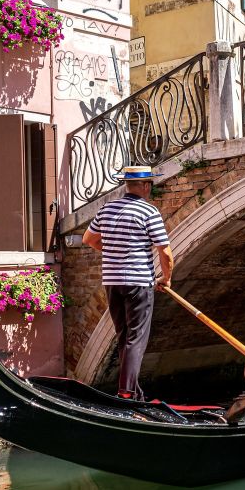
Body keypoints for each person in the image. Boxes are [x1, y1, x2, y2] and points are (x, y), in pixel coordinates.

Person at [81, 166, 174, 401]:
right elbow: (165, 252)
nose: (150, 188)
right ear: (145, 186)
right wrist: (167, 278)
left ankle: (134, 393)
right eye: (150, 184)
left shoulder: (107, 209)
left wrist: (113, 252)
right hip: (138, 283)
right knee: (136, 338)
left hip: (112, 282)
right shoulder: (148, 212)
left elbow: (88, 239)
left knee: (124, 336)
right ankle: (126, 392)